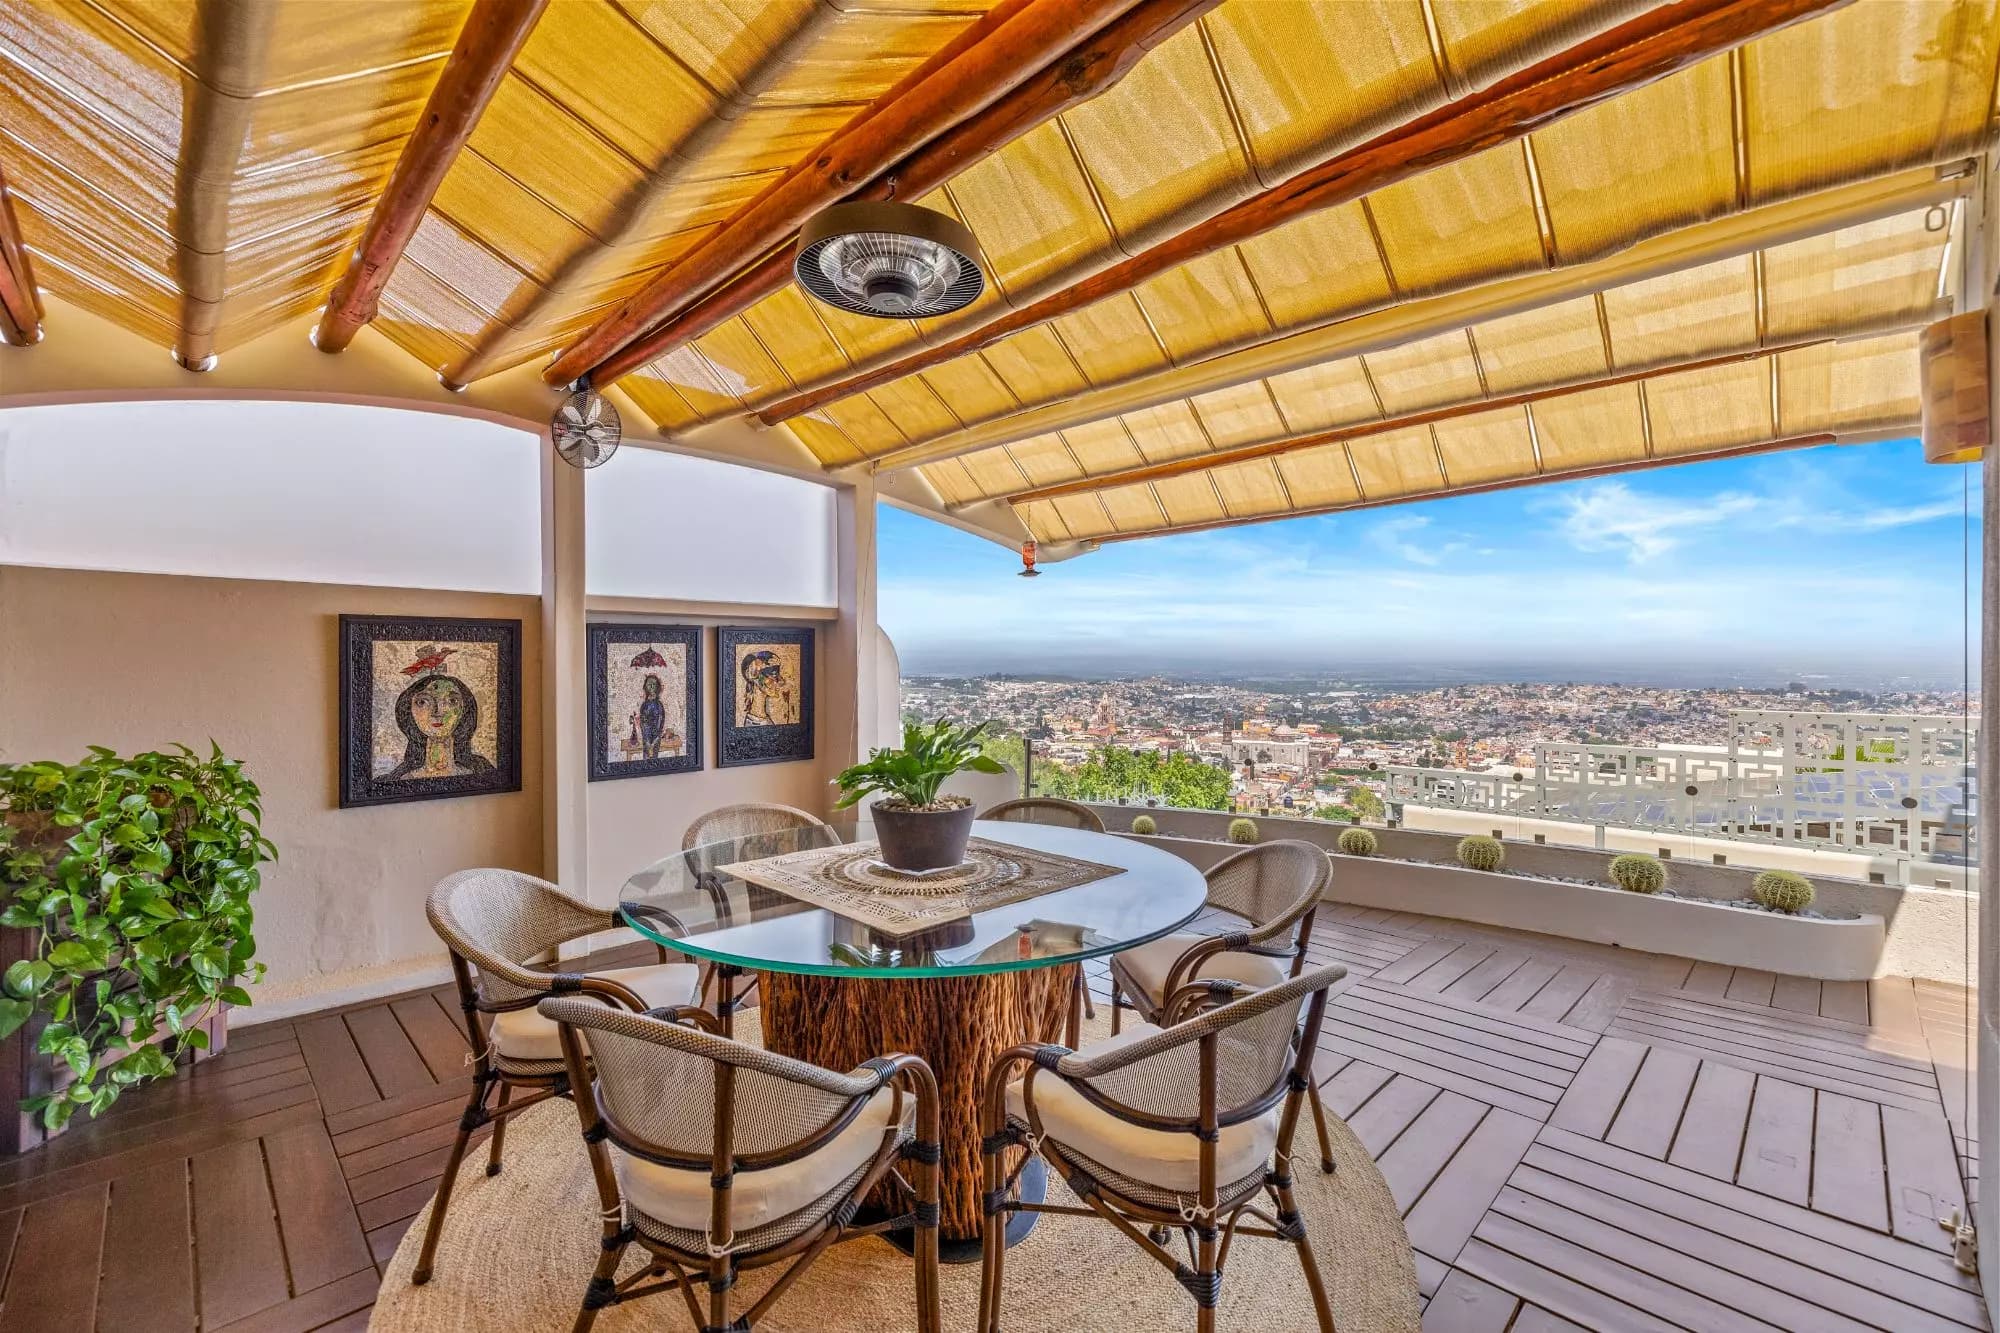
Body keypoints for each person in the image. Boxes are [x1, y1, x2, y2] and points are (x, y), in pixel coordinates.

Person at [385, 674, 494, 780]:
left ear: (464, 710)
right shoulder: (397, 779)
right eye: (423, 702)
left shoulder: (483, 771)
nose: (437, 712)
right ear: (408, 709)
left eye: (452, 701)